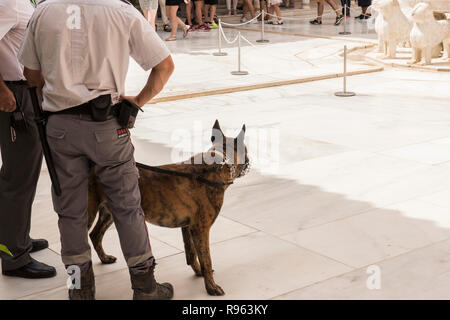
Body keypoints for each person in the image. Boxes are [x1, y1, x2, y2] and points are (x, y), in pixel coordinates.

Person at [19, 0, 175, 300]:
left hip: (60, 128)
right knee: (128, 207)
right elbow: (164, 66)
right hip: (108, 127)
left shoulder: (44, 10)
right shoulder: (121, 11)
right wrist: (136, 103)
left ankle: (79, 290)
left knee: (70, 212)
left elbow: (31, 74)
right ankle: (145, 288)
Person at [0, 0, 56, 280]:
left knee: (25, 173)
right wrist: (1, 91)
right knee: (18, 176)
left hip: (24, 92)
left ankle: (15, 236)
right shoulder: (7, 3)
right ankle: (14, 256)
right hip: (15, 95)